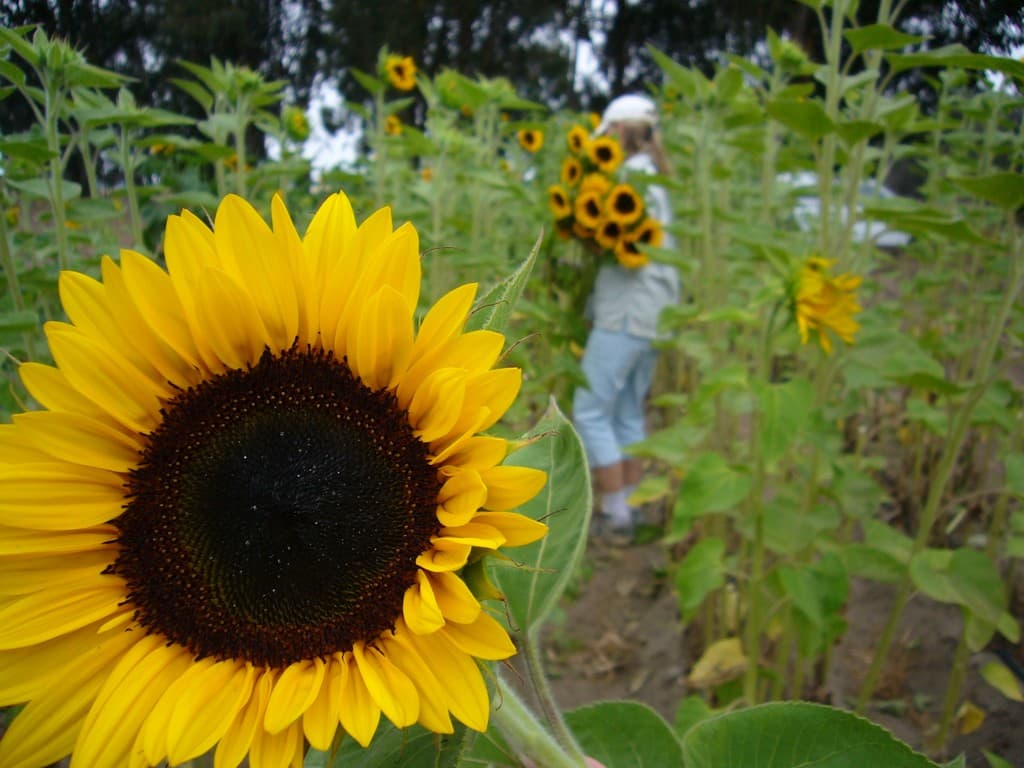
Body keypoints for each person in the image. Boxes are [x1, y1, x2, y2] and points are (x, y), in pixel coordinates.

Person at [572, 93, 679, 540]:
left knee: (590, 411)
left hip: (626, 313)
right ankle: (633, 511)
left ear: (617, 133)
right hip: (658, 314)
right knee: (628, 412)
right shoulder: (654, 177)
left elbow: (614, 241)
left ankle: (615, 515)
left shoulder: (626, 182)